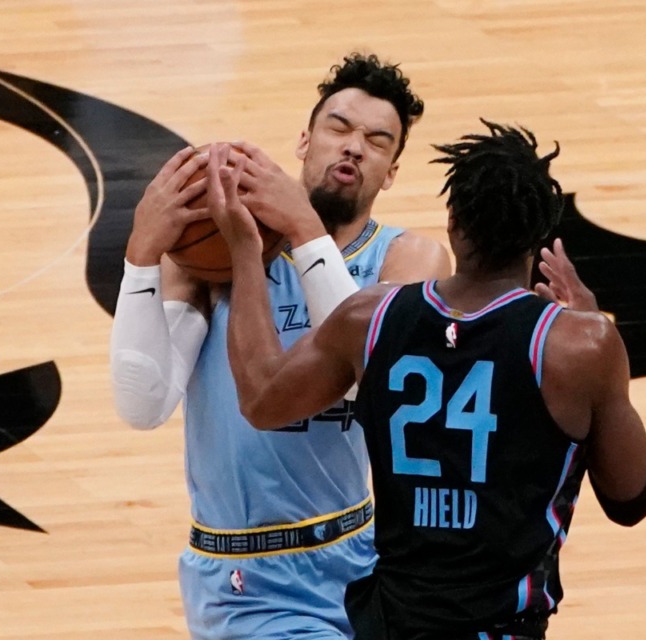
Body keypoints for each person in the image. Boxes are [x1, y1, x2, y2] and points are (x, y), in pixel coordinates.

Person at [207, 120, 646, 640]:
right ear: (538, 236)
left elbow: (263, 399)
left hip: (391, 623)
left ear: (453, 223)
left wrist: (242, 251)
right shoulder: (577, 346)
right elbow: (632, 498)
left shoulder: (371, 317)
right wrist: (594, 331)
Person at [109, 53, 451, 639]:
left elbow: (367, 372)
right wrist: (141, 257)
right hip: (240, 576)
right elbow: (143, 406)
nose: (353, 147)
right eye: (338, 128)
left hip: (360, 557)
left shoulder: (407, 259)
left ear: (391, 172)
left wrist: (304, 230)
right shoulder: (218, 245)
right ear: (304, 139)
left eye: (376, 141)